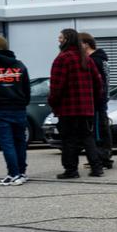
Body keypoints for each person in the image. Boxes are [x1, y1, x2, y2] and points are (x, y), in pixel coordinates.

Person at [49, 28, 104, 178]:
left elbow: (56, 86)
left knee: (69, 140)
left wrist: (53, 102)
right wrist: (95, 100)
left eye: (60, 38)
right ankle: (97, 167)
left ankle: (71, 170)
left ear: (66, 40)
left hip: (68, 109)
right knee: (88, 138)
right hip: (86, 108)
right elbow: (98, 83)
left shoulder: (62, 59)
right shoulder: (87, 59)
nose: (58, 41)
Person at [0, 36, 30, 185]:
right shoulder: (19, 65)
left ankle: (13, 174)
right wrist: (23, 103)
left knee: (7, 143)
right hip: (19, 108)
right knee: (20, 141)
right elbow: (26, 88)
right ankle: (21, 173)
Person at [79, 32, 113, 168]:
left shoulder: (95, 60)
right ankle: (97, 157)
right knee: (97, 129)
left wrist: (98, 98)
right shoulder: (99, 58)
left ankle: (103, 159)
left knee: (99, 130)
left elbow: (100, 82)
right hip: (100, 99)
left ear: (86, 44)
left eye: (79, 43)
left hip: (98, 101)